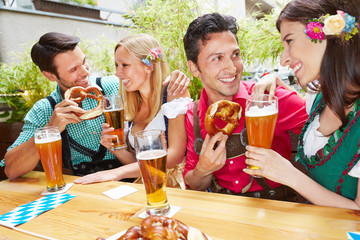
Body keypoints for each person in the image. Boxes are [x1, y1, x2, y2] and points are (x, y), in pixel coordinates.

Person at [2, 32, 189, 180]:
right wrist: (50, 129)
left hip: (132, 182)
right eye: (74, 70)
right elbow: (11, 169)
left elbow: (151, 80)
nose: (85, 73)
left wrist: (174, 78)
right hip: (82, 187)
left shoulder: (117, 88)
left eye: (83, 63)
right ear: (50, 76)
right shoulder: (45, 110)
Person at [244, 0, 360, 209]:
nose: (283, 59)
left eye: (289, 41)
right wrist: (272, 79)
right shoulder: (317, 99)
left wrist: (289, 175)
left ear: (325, 35)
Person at [182, 12, 308, 201]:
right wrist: (203, 169)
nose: (232, 68)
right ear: (193, 68)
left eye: (235, 54)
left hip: (279, 209)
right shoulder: (193, 116)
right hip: (227, 211)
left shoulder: (269, 100)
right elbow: (194, 185)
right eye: (217, 58)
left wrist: (280, 83)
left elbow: (327, 119)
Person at [74, 33, 190, 188]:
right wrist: (115, 149)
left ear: (149, 66)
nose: (117, 72)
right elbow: (139, 164)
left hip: (177, 187)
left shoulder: (174, 92)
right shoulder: (131, 104)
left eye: (124, 65)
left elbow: (175, 156)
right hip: (146, 185)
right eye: (116, 65)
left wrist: (116, 173)